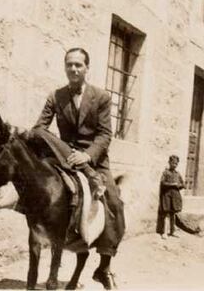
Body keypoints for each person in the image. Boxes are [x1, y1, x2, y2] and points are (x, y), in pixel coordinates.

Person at [33, 47, 125, 289]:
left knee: (114, 203)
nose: (73, 69)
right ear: (65, 67)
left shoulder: (102, 97)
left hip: (93, 159)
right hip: (63, 157)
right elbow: (39, 128)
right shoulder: (55, 96)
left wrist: (87, 156)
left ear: (87, 68)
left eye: (78, 65)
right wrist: (53, 148)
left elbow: (105, 135)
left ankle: (104, 267)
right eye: (69, 64)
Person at [156, 155, 185, 239]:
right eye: (173, 163)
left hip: (175, 196)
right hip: (167, 195)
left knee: (173, 214)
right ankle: (164, 232)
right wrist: (173, 184)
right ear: (169, 163)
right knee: (166, 214)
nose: (174, 165)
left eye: (176, 163)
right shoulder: (166, 173)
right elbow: (162, 183)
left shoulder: (178, 174)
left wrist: (180, 185)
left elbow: (183, 184)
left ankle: (172, 232)